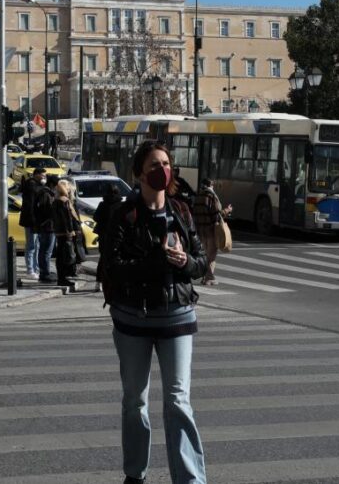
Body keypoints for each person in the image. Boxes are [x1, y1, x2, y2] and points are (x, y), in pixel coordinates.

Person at [104, 140, 208, 484]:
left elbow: (201, 263)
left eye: (165, 163)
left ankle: (190, 479)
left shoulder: (182, 211)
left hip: (177, 315)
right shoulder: (124, 213)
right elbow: (113, 268)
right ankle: (135, 474)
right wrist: (155, 261)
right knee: (135, 401)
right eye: (153, 164)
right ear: (138, 173)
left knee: (178, 400)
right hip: (133, 318)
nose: (161, 169)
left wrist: (185, 262)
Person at [193, 178, 232, 286]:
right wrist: (227, 211)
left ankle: (206, 277)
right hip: (211, 230)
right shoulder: (211, 196)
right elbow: (216, 215)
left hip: (201, 230)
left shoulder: (198, 196)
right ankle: (209, 277)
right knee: (212, 255)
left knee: (206, 254)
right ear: (211, 185)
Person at [52, 179, 82, 287]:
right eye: (68, 187)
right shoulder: (64, 201)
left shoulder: (56, 200)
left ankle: (62, 278)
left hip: (60, 232)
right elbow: (66, 218)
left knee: (61, 255)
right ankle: (62, 278)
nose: (70, 189)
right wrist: (70, 231)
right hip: (65, 233)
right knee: (65, 255)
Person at [19, 168, 46, 280]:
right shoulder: (31, 186)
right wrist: (33, 220)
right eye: (43, 175)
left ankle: (35, 268)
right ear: (36, 175)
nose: (44, 177)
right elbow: (30, 205)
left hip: (35, 221)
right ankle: (30, 270)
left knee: (37, 245)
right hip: (31, 221)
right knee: (31, 246)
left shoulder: (36, 185)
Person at [93, 183, 123, 284]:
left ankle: (99, 281)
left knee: (103, 259)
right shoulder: (120, 205)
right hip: (117, 235)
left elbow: (96, 217)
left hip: (104, 235)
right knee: (117, 257)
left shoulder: (103, 204)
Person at [34, 174, 58, 283]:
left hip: (46, 226)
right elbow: (46, 211)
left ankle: (44, 272)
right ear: (52, 184)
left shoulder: (45, 193)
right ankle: (44, 273)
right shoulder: (46, 194)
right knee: (46, 252)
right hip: (47, 226)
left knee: (44, 251)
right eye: (56, 185)